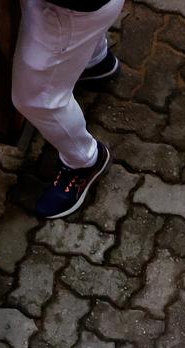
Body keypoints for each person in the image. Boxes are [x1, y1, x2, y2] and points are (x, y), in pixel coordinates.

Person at [11, 0, 124, 220]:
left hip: (70, 10)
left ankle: (85, 159)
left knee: (36, 98)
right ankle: (95, 61)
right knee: (77, 33)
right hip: (89, 11)